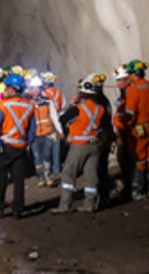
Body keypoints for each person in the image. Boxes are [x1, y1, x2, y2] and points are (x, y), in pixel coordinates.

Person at [52, 74, 113, 213]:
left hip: (80, 145)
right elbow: (105, 126)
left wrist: (72, 105)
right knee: (91, 176)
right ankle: (89, 204)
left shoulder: (77, 109)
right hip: (95, 145)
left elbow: (62, 120)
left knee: (68, 174)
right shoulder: (101, 108)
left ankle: (64, 205)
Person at [0, 73, 35, 219]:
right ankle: (18, 209)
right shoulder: (30, 106)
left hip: (4, 145)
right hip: (21, 147)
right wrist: (28, 143)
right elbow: (32, 130)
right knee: (18, 180)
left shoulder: (2, 105)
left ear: (11, 89)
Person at [122, 60, 149, 199]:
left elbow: (130, 112)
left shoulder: (134, 89)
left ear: (135, 73)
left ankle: (138, 189)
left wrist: (126, 126)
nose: (128, 76)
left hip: (140, 127)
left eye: (129, 73)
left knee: (139, 157)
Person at [28, 75, 62, 188]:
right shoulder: (28, 103)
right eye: (33, 88)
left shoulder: (47, 101)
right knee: (37, 157)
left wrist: (59, 130)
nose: (35, 91)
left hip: (48, 132)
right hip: (35, 134)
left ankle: (47, 176)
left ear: (41, 89)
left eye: (37, 88)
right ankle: (41, 177)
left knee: (47, 156)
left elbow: (54, 116)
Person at [112, 67, 134, 199]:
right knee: (123, 159)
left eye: (119, 80)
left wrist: (121, 133)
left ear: (127, 80)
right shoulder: (124, 93)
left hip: (128, 132)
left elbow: (128, 116)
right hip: (123, 131)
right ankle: (128, 184)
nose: (117, 83)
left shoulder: (130, 93)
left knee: (129, 159)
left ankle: (131, 187)